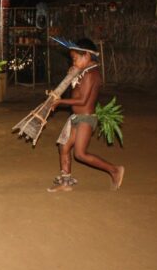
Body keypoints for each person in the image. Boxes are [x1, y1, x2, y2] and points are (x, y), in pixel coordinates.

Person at [49, 38, 125, 192]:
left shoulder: (92, 74)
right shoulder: (84, 71)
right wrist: (72, 76)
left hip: (86, 118)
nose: (73, 62)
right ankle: (66, 181)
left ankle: (115, 170)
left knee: (80, 154)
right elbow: (77, 90)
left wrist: (60, 102)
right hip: (76, 118)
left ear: (86, 56)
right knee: (64, 147)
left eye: (75, 59)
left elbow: (82, 100)